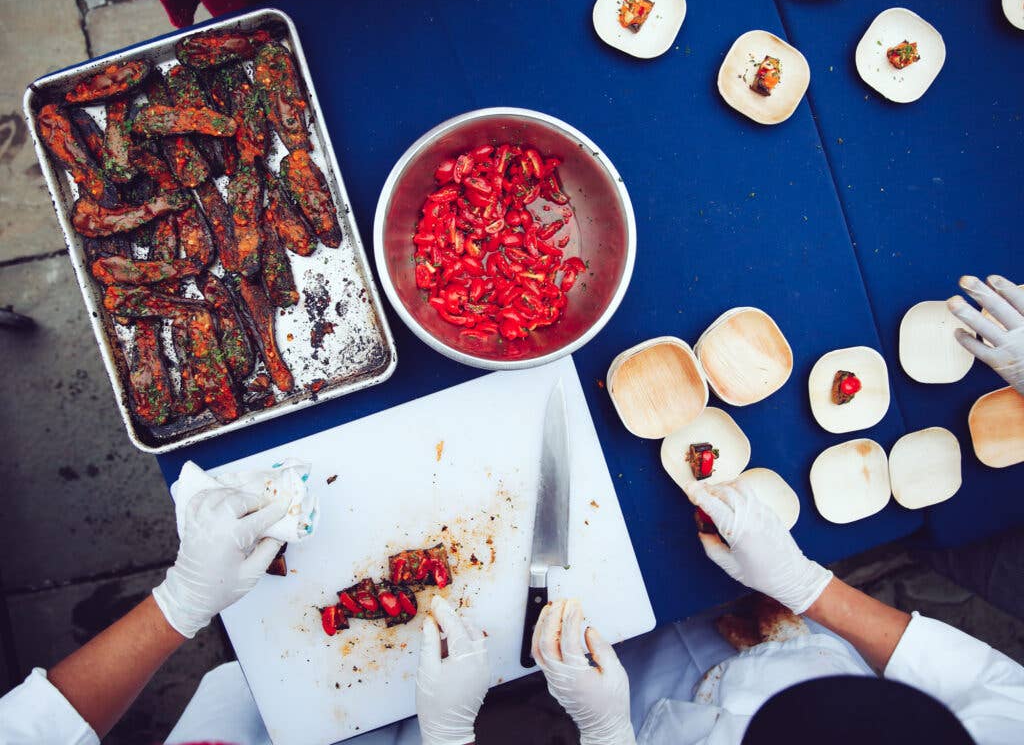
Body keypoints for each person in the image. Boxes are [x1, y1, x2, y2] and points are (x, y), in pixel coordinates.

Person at [0, 272, 1021, 743]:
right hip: (772, 674)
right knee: (245, 698)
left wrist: (470, 736)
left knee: (281, 708)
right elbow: (971, 677)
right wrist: (803, 587)